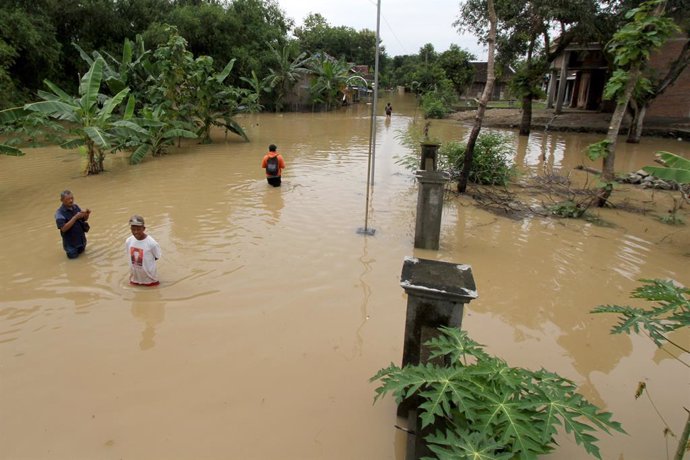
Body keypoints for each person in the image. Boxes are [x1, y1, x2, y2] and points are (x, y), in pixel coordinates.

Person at [126, 215, 161, 286]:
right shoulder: (128, 241)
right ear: (130, 229)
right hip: (135, 278)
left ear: (144, 228)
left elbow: (157, 257)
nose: (136, 232)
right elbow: (129, 256)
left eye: (138, 229)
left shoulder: (152, 243)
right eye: (133, 229)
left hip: (150, 279)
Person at [55, 190, 91, 259]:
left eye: (72, 198)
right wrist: (75, 217)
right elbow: (63, 228)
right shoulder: (59, 213)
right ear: (61, 200)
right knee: (74, 263)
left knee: (83, 260)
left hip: (81, 241)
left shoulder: (75, 207)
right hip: (71, 246)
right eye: (68, 199)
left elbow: (84, 219)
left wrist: (86, 215)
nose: (71, 200)